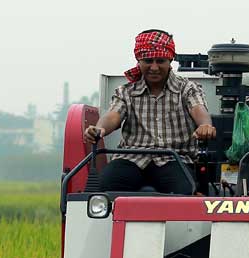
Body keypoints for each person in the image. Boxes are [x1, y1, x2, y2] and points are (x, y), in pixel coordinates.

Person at [83, 29, 216, 195]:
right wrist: (100, 129)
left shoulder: (187, 88)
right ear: (139, 61)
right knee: (104, 186)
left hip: (174, 159)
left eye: (160, 61)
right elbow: (113, 115)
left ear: (170, 60)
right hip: (132, 158)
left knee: (184, 191)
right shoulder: (126, 91)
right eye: (148, 61)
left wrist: (205, 126)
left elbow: (198, 109)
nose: (154, 67)